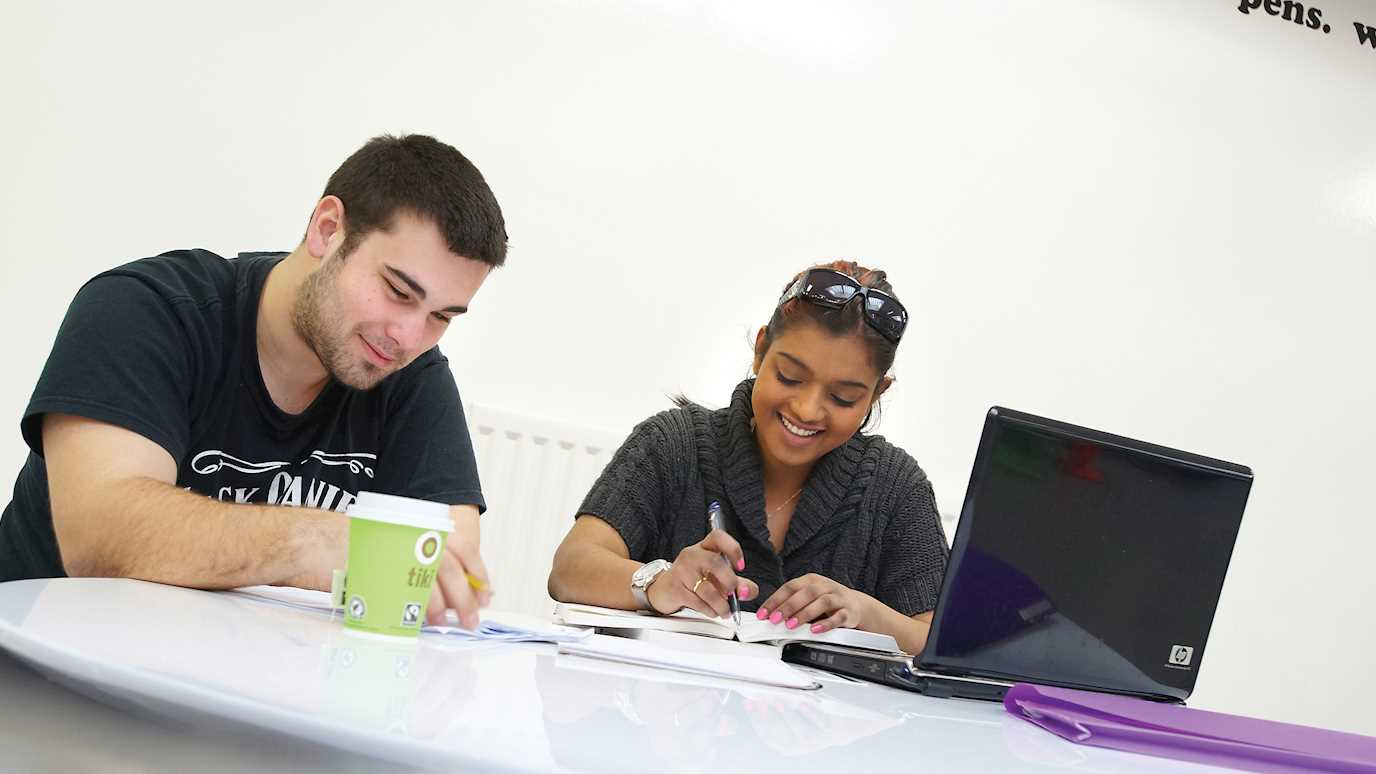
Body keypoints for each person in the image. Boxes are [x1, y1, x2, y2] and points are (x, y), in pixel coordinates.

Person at [0, 134, 505, 628]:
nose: (410, 337)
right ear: (328, 230)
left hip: (239, 691)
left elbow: (442, 569)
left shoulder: (411, 369)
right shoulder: (145, 310)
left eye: (443, 316)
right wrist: (325, 542)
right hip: (47, 682)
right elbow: (100, 534)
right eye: (397, 290)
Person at [548, 261, 949, 654]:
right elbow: (571, 567)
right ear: (760, 351)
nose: (807, 410)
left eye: (842, 398)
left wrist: (864, 611)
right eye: (790, 377)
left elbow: (941, 639)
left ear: (876, 395)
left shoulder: (896, 488)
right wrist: (656, 582)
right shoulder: (673, 443)